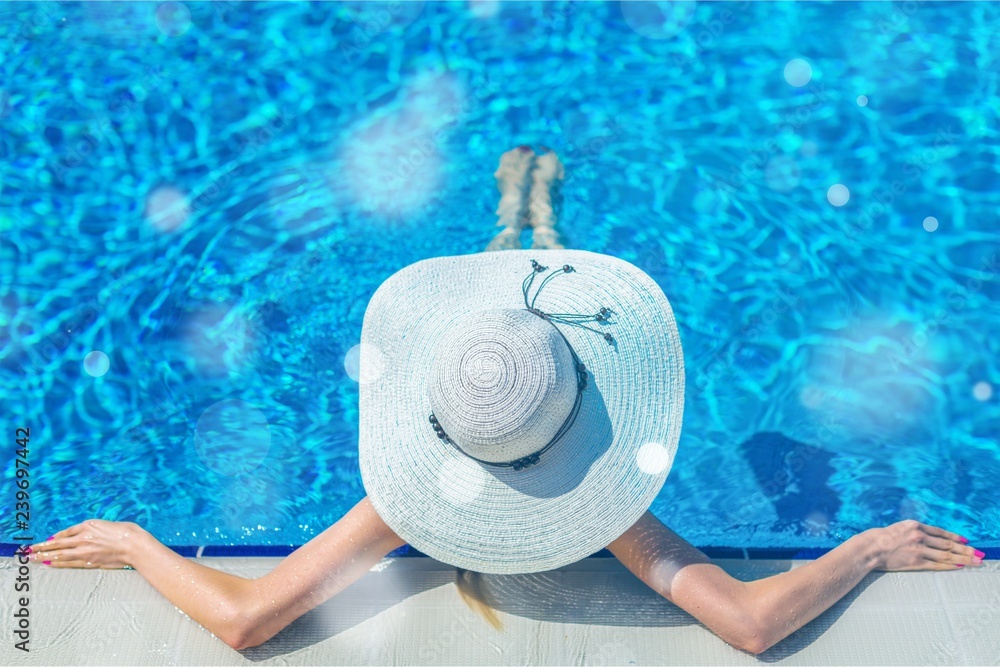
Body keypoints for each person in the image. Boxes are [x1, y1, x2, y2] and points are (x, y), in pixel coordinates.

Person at [23, 147, 986, 655]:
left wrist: (136, 540)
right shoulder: (617, 522)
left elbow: (245, 622)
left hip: (475, 388)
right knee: (532, 331)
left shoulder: (397, 505)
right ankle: (534, 219)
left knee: (498, 345)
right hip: (520, 383)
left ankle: (518, 214)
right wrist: (869, 544)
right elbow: (749, 622)